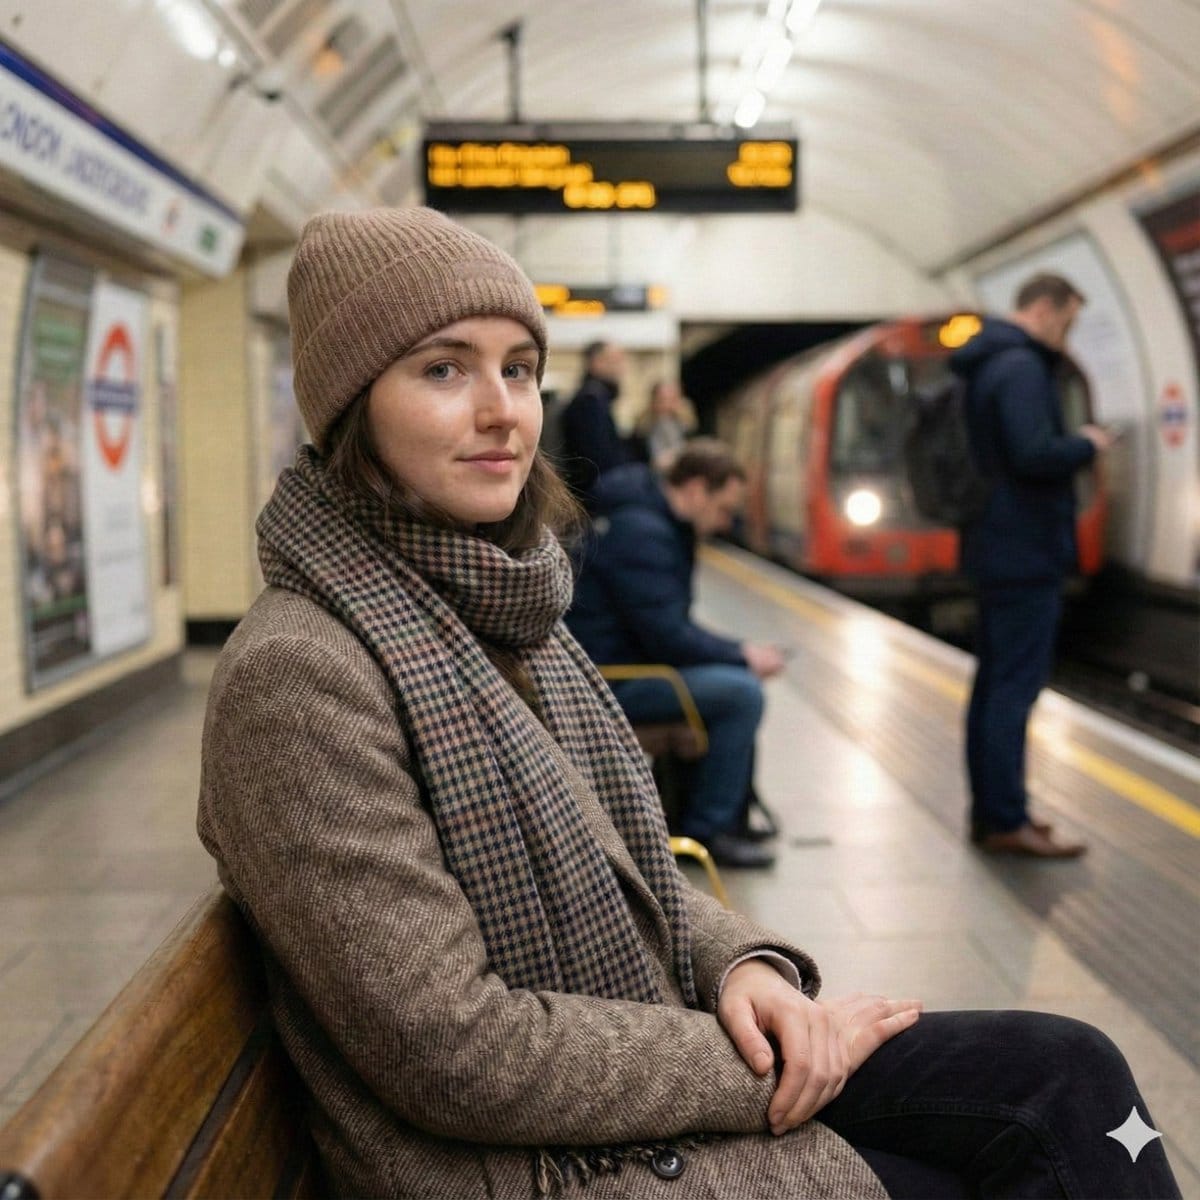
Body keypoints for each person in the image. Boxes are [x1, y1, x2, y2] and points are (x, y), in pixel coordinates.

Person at [197, 208, 1179, 1200]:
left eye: (519, 369)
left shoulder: (507, 604)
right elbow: (454, 1050)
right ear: (349, 406)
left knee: (1071, 1074)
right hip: (533, 1166)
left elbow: (636, 883)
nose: (503, 411)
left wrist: (745, 970)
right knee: (1034, 1143)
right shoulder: (299, 677)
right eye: (444, 370)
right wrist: (766, 1060)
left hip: (631, 1066)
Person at [951, 272, 1113, 859]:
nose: (1067, 337)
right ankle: (1004, 818)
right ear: (1044, 310)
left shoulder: (989, 362)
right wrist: (1087, 444)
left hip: (997, 545)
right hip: (1022, 548)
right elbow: (1033, 453)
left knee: (995, 682)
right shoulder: (1019, 367)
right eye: (1067, 321)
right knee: (1012, 688)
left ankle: (995, 812)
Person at [566, 441, 784, 869]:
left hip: (621, 665)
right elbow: (669, 637)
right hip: (609, 682)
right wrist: (742, 655)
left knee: (731, 679)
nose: (724, 523)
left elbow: (665, 627)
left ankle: (726, 813)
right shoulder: (643, 535)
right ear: (697, 488)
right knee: (741, 694)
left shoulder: (650, 520)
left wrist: (735, 654)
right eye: (723, 509)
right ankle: (709, 830)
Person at [558, 339, 630, 506]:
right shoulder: (590, 401)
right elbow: (598, 457)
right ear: (596, 363)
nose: (621, 367)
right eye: (614, 360)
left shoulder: (597, 398)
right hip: (594, 492)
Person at [632, 378, 696, 469]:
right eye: (663, 399)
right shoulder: (643, 429)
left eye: (673, 399)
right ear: (654, 400)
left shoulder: (685, 425)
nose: (668, 404)